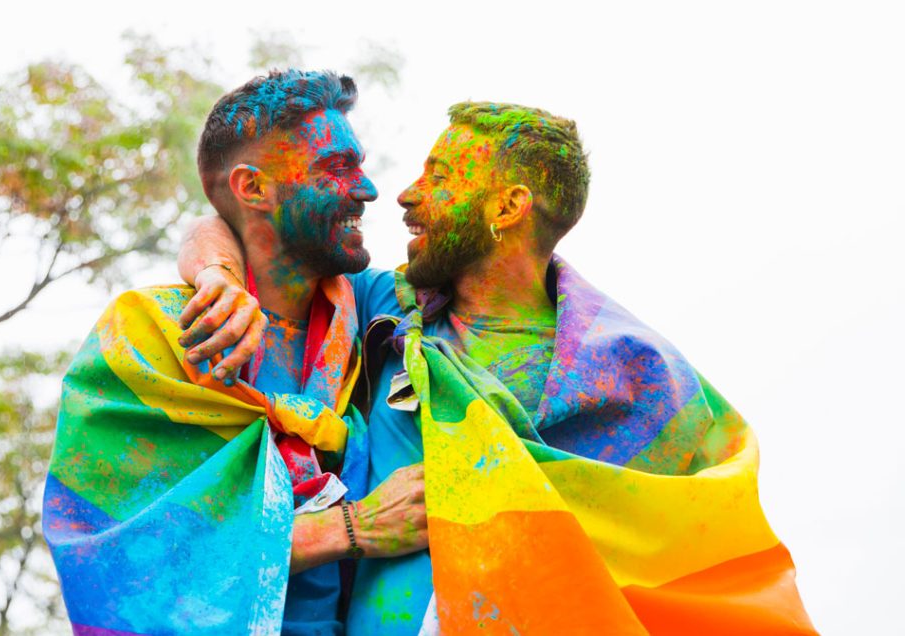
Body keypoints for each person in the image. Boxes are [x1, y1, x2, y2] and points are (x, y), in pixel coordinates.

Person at [177, 102, 817, 634]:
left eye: (440, 177)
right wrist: (218, 276)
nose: (405, 195)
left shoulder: (641, 377)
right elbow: (230, 218)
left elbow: (694, 562)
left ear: (507, 207)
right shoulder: (385, 315)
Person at [42, 70, 428, 636]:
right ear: (253, 188)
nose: (368, 191)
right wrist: (351, 527)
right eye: (337, 169)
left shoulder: (377, 317)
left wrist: (215, 263)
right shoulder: (148, 335)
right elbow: (115, 567)